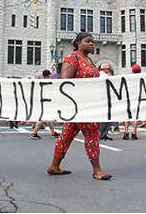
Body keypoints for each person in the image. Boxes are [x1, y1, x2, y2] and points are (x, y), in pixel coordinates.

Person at [47, 32, 112, 180]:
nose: (91, 44)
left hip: (87, 105)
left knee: (66, 136)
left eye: (92, 41)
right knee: (92, 134)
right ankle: (97, 170)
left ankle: (54, 166)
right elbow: (65, 83)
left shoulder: (88, 60)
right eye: (87, 41)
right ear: (78, 43)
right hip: (79, 107)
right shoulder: (72, 58)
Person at [30, 69, 61, 140]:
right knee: (42, 118)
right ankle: (34, 133)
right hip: (45, 101)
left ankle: (53, 133)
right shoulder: (47, 82)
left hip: (42, 101)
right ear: (48, 75)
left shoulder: (39, 81)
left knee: (48, 118)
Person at [123, 64, 141, 140]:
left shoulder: (128, 78)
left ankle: (126, 132)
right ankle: (134, 133)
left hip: (128, 98)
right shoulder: (141, 78)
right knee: (136, 116)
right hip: (136, 98)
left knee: (126, 116)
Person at [97, 64, 114, 141]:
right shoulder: (105, 76)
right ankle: (103, 134)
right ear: (106, 69)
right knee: (105, 117)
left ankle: (100, 133)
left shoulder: (97, 74)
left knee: (99, 117)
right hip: (105, 98)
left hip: (98, 98)